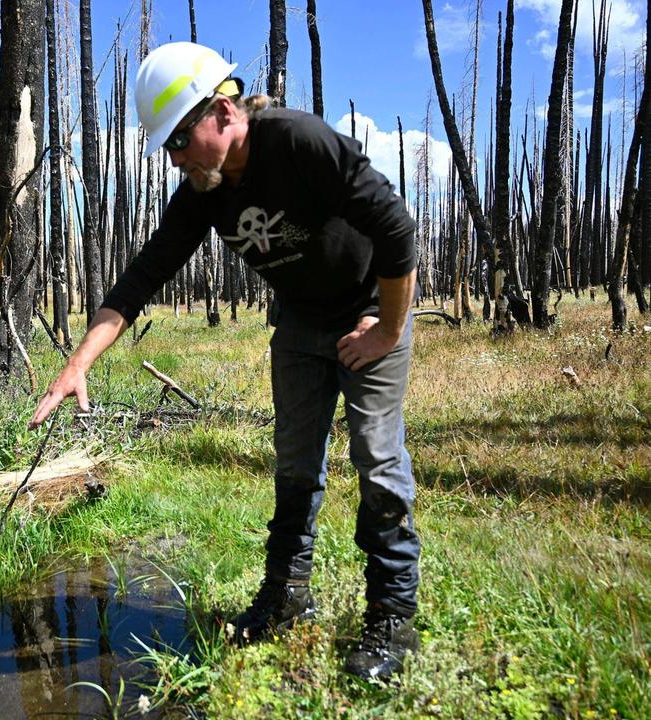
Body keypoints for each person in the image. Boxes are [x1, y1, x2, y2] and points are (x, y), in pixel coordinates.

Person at [29, 41, 421, 682]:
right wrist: (79, 364)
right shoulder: (205, 190)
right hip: (300, 324)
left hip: (368, 313)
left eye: (180, 141)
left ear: (221, 111)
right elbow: (143, 276)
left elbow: (395, 228)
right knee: (296, 465)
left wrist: (388, 328)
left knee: (377, 460)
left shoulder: (295, 140)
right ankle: (287, 595)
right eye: (169, 150)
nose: (176, 159)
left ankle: (391, 618)